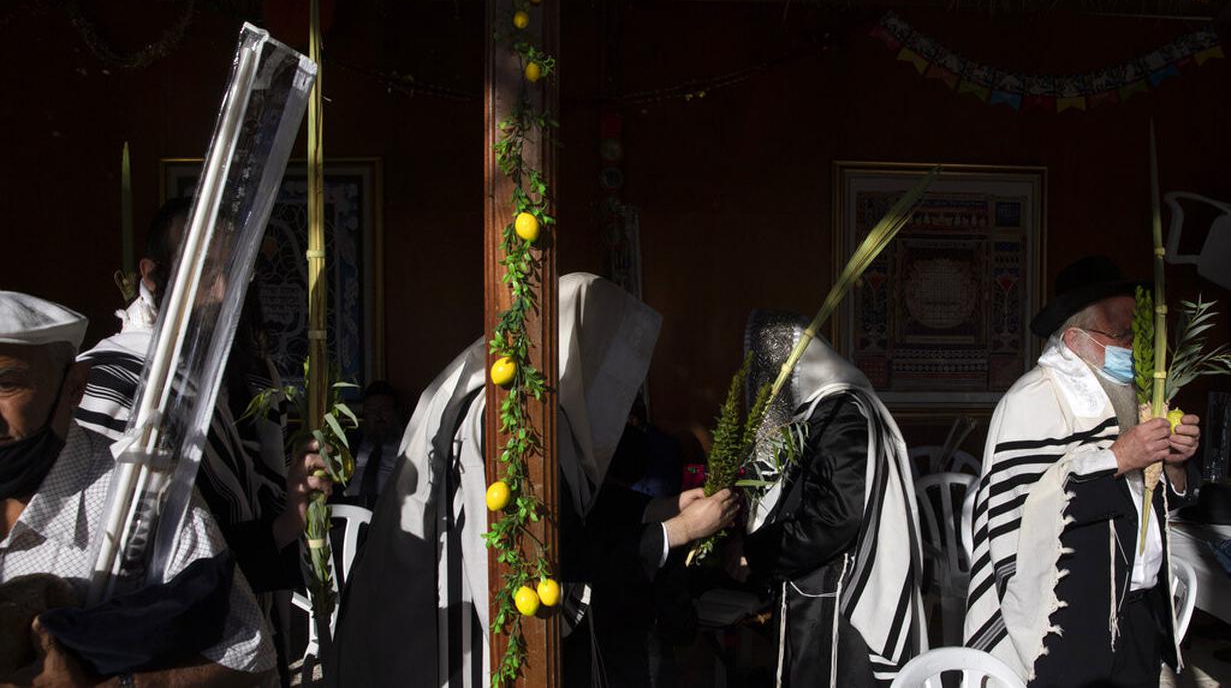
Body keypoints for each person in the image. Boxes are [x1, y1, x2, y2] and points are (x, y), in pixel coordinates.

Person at [329, 273, 737, 687]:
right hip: (449, 625)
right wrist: (677, 531)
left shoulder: (536, 406)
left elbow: (564, 502)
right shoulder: (513, 418)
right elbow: (557, 545)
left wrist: (663, 507)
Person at [74, 198, 330, 680]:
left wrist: (289, 516)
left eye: (237, 269)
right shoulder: (123, 378)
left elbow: (230, 510)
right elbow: (117, 549)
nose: (224, 290)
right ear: (152, 277)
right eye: (206, 270)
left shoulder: (210, 373)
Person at [0, 291, 275, 685]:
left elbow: (251, 657)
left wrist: (114, 684)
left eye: (6, 385)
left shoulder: (141, 499)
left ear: (75, 387)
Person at [964, 255, 1201, 686]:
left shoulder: (1132, 393)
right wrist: (1117, 459)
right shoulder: (1032, 400)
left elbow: (1158, 500)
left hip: (1138, 611)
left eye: (1137, 334)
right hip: (1068, 620)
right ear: (1075, 339)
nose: (1135, 348)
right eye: (1123, 334)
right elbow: (1022, 518)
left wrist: (1175, 463)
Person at [727, 310, 927, 686]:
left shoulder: (840, 412)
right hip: (824, 589)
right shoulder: (831, 408)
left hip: (834, 599)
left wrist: (756, 552)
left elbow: (836, 518)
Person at [340, 381, 403, 509]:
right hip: (349, 508)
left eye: (384, 410)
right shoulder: (349, 445)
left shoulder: (409, 447)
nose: (378, 416)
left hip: (390, 511)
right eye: (371, 411)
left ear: (397, 413)